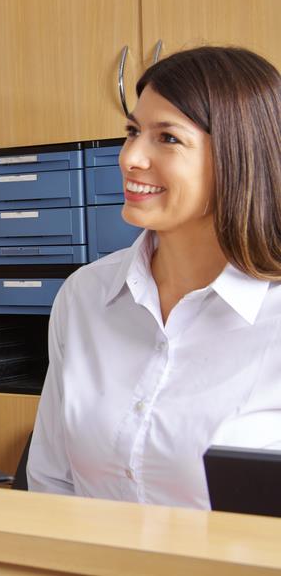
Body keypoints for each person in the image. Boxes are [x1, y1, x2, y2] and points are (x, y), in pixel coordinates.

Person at [27, 46, 281, 509]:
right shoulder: (85, 296)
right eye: (132, 132)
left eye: (167, 138)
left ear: (239, 155)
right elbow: (51, 479)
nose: (130, 158)